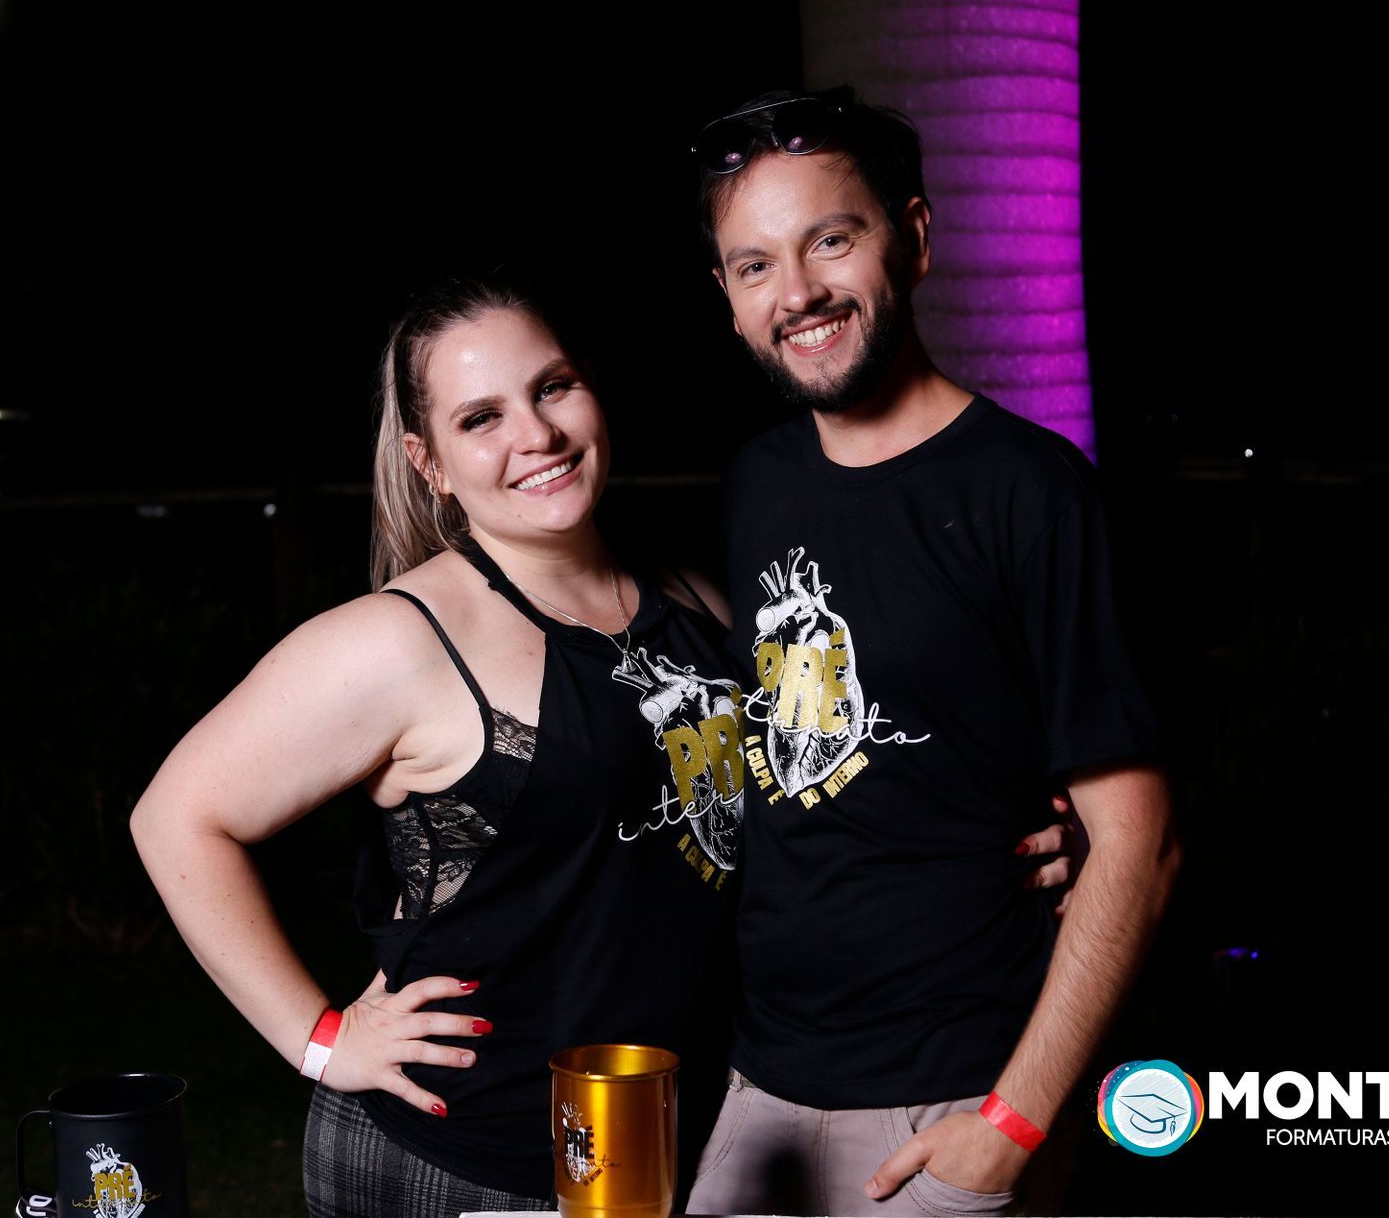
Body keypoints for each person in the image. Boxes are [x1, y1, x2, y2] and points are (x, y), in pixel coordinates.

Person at [128, 275, 749, 1217]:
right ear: (430, 462)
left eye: (552, 388)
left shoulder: (691, 595)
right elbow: (176, 819)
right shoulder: (400, 640)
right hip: (461, 1159)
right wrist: (321, 1039)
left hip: (672, 1141)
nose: (536, 436)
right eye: (481, 418)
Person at [683, 88, 1180, 1216]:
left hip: (949, 1099)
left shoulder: (1030, 490)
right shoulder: (756, 482)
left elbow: (1140, 842)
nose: (797, 293)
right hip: (762, 1082)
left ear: (912, 237)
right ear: (729, 299)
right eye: (755, 265)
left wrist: (1012, 1124)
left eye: (831, 240)